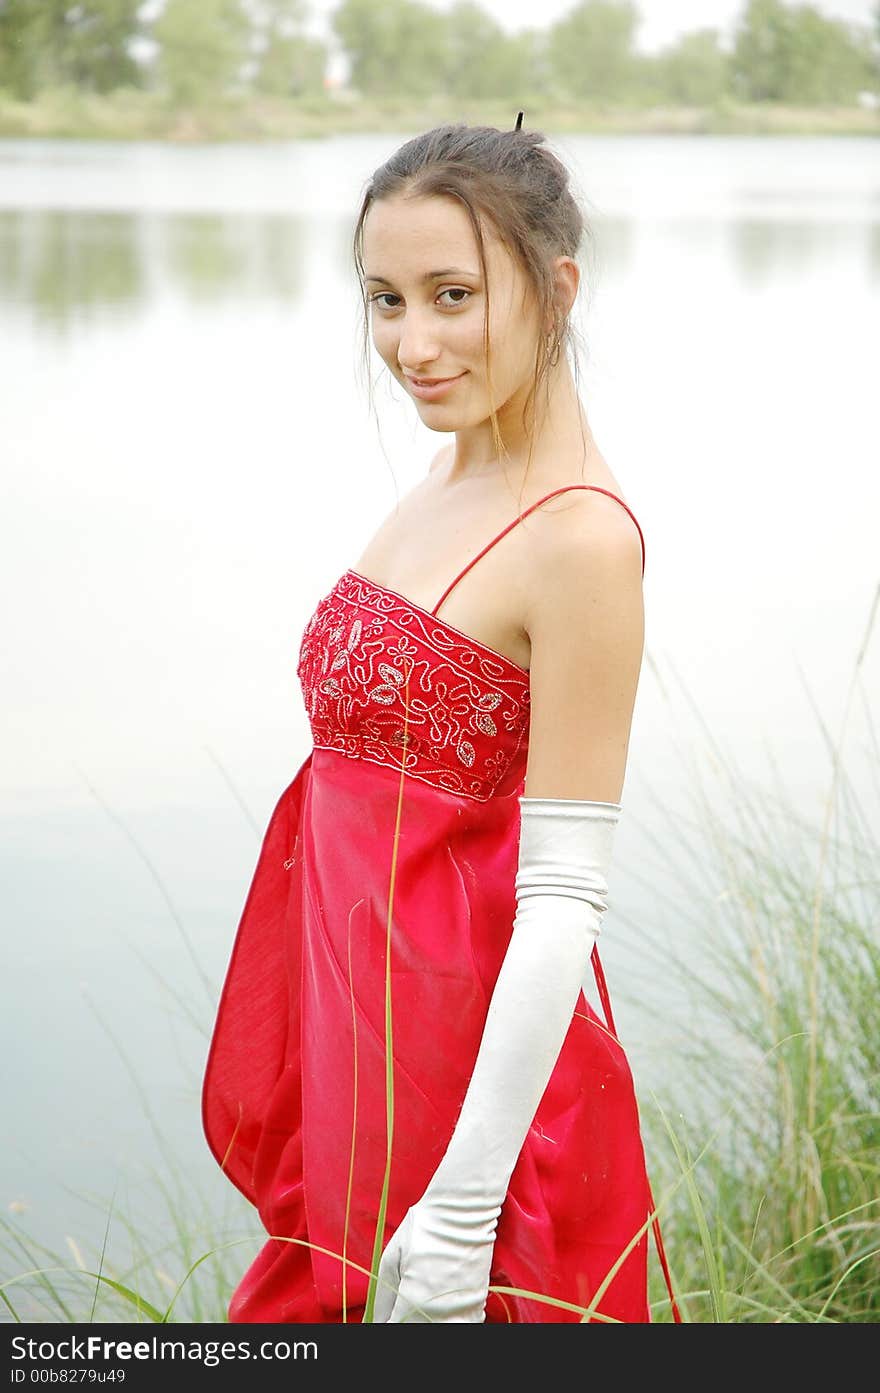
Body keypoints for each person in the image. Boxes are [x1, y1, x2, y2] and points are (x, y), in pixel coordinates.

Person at [201, 116, 679, 1325]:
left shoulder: (579, 538)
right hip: (350, 1020)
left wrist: (466, 1212)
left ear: (555, 287)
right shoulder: (453, 469)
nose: (412, 343)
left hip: (463, 1067)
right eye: (385, 298)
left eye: (451, 294)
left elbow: (566, 891)